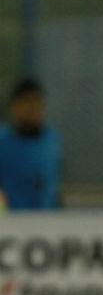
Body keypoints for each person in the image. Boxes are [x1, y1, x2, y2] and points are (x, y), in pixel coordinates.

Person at [0, 78, 61, 210]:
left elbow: (52, 184)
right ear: (14, 107)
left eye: (36, 101)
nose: (32, 108)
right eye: (27, 101)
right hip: (12, 222)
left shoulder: (51, 140)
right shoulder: (3, 142)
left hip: (47, 220)